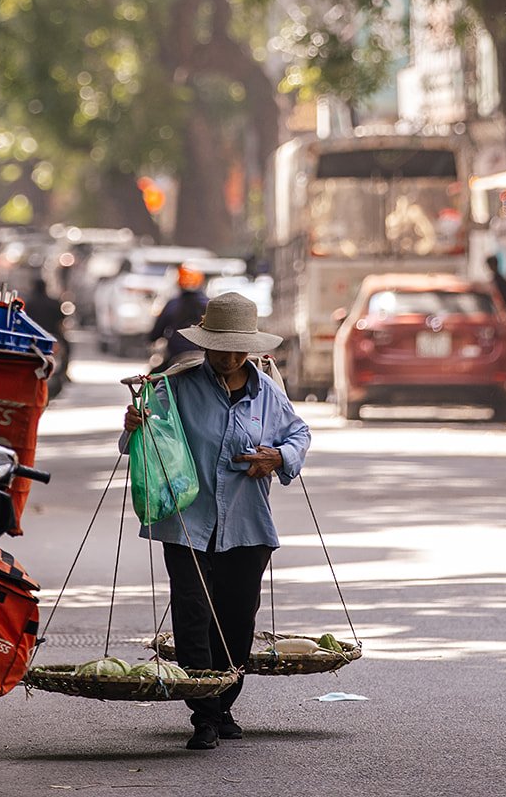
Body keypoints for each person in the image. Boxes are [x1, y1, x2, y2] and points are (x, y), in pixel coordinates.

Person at [122, 292, 311, 751]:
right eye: (220, 347)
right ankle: (203, 713)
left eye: (237, 349)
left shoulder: (267, 391)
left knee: (235, 620)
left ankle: (225, 705)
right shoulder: (177, 385)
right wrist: (134, 423)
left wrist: (277, 456)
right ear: (205, 345)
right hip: (188, 523)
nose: (228, 357)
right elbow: (139, 443)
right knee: (192, 613)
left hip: (247, 526)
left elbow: (299, 433)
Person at [148, 264, 209, 367]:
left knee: (154, 380)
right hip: (206, 357)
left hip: (177, 358)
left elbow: (156, 332)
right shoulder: (210, 305)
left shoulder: (172, 304)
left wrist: (154, 338)